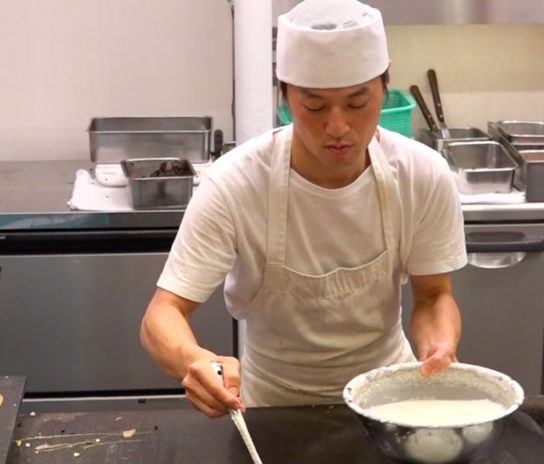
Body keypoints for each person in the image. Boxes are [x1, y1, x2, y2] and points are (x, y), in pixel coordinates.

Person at [141, 0, 466, 417]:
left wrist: (438, 345)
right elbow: (162, 314)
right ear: (285, 97)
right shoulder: (236, 183)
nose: (337, 126)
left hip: (389, 403)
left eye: (356, 102)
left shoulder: (422, 174)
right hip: (272, 410)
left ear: (385, 88)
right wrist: (193, 360)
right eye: (314, 106)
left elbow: (434, 295)